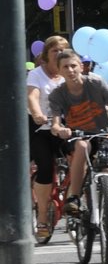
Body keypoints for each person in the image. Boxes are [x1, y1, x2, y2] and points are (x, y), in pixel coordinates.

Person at [49, 50, 108, 246]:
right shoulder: (58, 94)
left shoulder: (95, 83)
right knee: (82, 146)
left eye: (73, 66)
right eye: (65, 67)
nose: (70, 70)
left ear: (81, 67)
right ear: (59, 70)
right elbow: (56, 122)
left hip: (104, 132)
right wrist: (60, 129)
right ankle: (74, 197)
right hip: (79, 135)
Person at [27, 36, 71, 242]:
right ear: (46, 55)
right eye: (55, 50)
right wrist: (36, 113)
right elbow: (33, 97)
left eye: (63, 50)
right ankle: (43, 218)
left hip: (63, 128)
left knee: (83, 157)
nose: (60, 53)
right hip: (41, 129)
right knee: (44, 168)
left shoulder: (68, 74)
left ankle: (74, 202)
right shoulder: (36, 75)